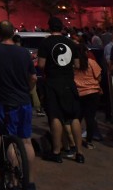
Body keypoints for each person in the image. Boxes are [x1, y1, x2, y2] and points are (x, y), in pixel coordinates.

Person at [0, 20, 37, 190]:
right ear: (13, 33)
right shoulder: (24, 53)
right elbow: (32, 78)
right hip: (23, 100)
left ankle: (14, 180)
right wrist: (28, 89)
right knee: (26, 141)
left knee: (8, 139)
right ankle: (30, 182)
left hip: (4, 100)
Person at [37, 16, 84, 163]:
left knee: (55, 116)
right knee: (74, 117)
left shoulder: (46, 43)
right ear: (62, 27)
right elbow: (77, 65)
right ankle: (80, 153)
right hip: (69, 83)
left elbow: (41, 65)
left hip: (53, 82)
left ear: (50, 27)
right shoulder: (71, 43)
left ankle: (56, 152)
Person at [73, 40, 103, 148]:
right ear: (86, 52)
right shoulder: (91, 62)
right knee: (90, 118)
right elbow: (99, 77)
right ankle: (89, 141)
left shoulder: (74, 64)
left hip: (79, 93)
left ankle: (74, 139)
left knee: (77, 118)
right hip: (93, 92)